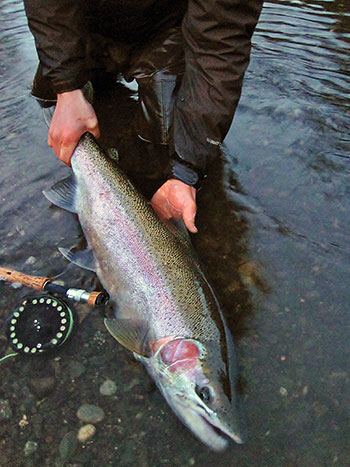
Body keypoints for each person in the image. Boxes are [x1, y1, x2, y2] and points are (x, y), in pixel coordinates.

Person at [23, 0, 263, 233]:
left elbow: (219, 47)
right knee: (50, 99)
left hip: (166, 29)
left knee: (169, 144)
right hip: (83, 22)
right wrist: (67, 88)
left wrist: (186, 172)